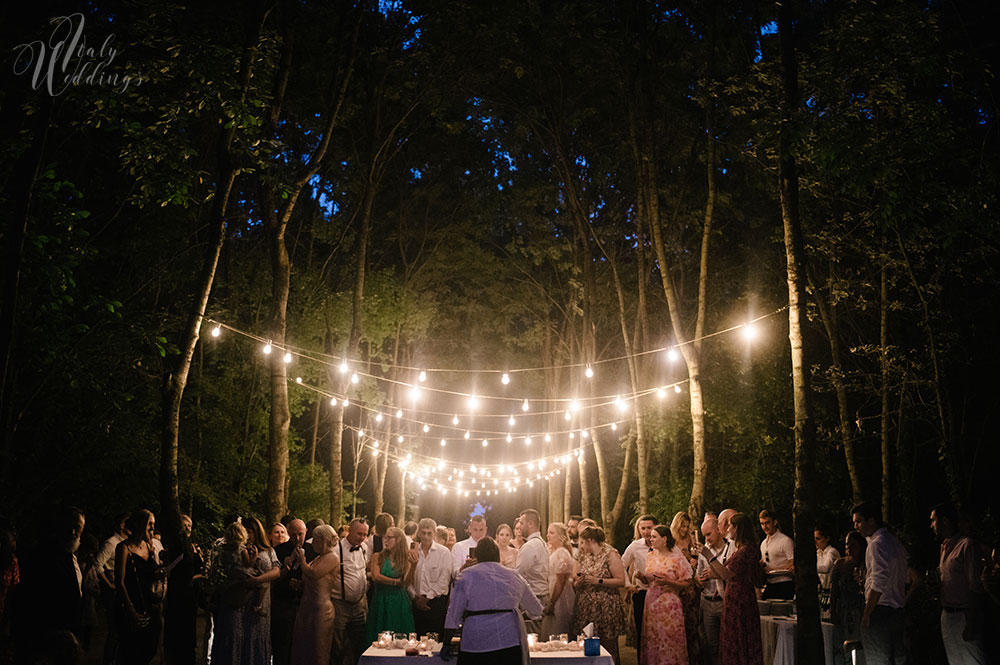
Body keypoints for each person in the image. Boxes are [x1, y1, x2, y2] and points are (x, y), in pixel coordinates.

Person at [440, 537, 543, 664]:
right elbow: (536, 609)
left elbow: (454, 613)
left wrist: (446, 642)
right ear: (497, 555)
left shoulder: (466, 576)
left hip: (475, 641)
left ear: (477, 556)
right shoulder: (514, 576)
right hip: (507, 640)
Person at [851, 502, 908, 665]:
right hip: (897, 610)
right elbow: (904, 577)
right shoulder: (895, 542)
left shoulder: (876, 544)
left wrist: (868, 611)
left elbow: (879, 579)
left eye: (859, 521)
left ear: (872, 521)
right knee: (898, 659)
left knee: (878, 660)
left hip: (880, 610)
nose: (856, 526)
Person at [931, 503, 986, 665]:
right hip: (947, 615)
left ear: (945, 521)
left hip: (965, 614)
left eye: (934, 520)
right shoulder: (944, 547)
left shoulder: (967, 545)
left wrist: (971, 622)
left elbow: (975, 586)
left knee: (972, 659)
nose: (931, 525)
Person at [706, 513, 764, 665]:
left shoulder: (745, 551)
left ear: (737, 528)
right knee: (735, 638)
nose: (728, 529)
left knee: (738, 638)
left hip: (740, 600)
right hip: (736, 598)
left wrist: (709, 556)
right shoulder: (743, 550)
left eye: (731, 526)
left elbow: (726, 574)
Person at [573, 526, 627, 665]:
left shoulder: (610, 553)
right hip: (586, 607)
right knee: (586, 644)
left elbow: (621, 580)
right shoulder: (582, 555)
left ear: (590, 540)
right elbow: (575, 579)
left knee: (609, 646)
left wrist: (599, 581)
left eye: (583, 542)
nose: (581, 546)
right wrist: (578, 582)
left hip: (606, 606)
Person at [115, 509, 163, 665]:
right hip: (133, 607)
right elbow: (120, 582)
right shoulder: (124, 548)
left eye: (154, 525)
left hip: (150, 607)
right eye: (149, 524)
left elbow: (151, 574)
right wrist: (132, 612)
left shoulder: (149, 547)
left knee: (149, 651)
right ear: (139, 524)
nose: (152, 528)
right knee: (132, 654)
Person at [639, 525, 692, 665]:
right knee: (653, 638)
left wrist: (669, 581)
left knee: (668, 638)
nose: (651, 539)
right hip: (651, 601)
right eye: (650, 536)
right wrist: (642, 578)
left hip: (669, 603)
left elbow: (687, 582)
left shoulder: (676, 558)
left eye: (654, 536)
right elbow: (650, 579)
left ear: (664, 539)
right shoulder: (650, 556)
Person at [290, 525, 340, 665]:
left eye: (316, 540)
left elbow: (313, 574)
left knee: (319, 649)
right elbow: (309, 579)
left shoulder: (332, 557)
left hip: (320, 610)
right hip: (306, 608)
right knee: (302, 648)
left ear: (324, 540)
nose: (312, 543)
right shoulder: (318, 558)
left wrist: (302, 560)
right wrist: (299, 584)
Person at [210, 521, 255, 665]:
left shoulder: (223, 549)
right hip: (240, 584)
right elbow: (248, 563)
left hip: (227, 586)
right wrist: (254, 556)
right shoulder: (242, 549)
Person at [161, 513, 204, 665]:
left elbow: (200, 569)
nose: (187, 528)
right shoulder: (172, 547)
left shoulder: (193, 546)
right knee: (175, 627)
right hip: (176, 591)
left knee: (188, 629)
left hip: (191, 593)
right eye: (184, 525)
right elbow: (167, 569)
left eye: (189, 526)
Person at [241, 517, 280, 665]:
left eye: (249, 532)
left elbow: (276, 572)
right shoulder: (241, 549)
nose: (247, 535)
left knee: (259, 636)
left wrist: (258, 580)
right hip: (246, 599)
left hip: (263, 599)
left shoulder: (269, 550)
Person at [367, 526, 416, 642]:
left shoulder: (406, 558)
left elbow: (406, 582)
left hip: (399, 601)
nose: (385, 540)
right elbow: (375, 576)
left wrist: (414, 566)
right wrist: (395, 582)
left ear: (398, 539)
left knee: (400, 634)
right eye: (385, 537)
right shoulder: (377, 556)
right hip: (381, 599)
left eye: (389, 538)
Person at [332, 518, 369, 665]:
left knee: (358, 644)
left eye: (364, 534)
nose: (362, 538)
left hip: (359, 605)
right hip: (340, 605)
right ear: (350, 531)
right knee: (337, 646)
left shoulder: (364, 548)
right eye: (359, 534)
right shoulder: (336, 549)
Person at [272, 519, 308, 665]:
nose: (297, 538)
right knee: (283, 646)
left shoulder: (313, 549)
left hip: (305, 604)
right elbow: (273, 580)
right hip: (284, 603)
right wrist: (285, 569)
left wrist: (303, 584)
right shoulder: (279, 551)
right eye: (293, 535)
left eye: (300, 534)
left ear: (306, 532)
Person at [94, 513, 129, 665]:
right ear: (122, 525)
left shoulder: (125, 543)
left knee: (121, 629)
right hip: (112, 591)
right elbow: (97, 563)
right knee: (114, 629)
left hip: (120, 589)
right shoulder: (111, 543)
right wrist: (109, 584)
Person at [408, 518, 451, 637]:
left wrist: (427, 598)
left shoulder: (444, 552)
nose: (426, 537)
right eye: (423, 533)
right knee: (416, 641)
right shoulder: (412, 551)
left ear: (434, 533)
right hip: (416, 602)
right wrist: (415, 597)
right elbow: (408, 577)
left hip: (435, 603)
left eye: (429, 533)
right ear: (419, 533)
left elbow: (444, 580)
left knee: (435, 642)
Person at [695, 517, 729, 665]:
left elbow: (732, 575)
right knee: (711, 645)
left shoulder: (730, 548)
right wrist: (699, 580)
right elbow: (698, 575)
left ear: (718, 530)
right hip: (708, 601)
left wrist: (715, 575)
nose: (706, 539)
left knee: (728, 642)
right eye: (704, 536)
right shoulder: (704, 552)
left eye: (709, 534)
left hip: (725, 602)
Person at [623, 514, 657, 663]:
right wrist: (628, 585)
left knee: (657, 632)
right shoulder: (635, 546)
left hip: (660, 594)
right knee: (641, 633)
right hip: (641, 593)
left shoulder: (663, 545)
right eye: (642, 528)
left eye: (649, 527)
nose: (646, 531)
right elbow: (621, 565)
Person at [670, 512, 703, 664]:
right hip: (675, 588)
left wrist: (692, 560)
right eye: (682, 526)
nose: (684, 529)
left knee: (692, 627)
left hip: (690, 588)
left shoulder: (691, 540)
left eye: (687, 526)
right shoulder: (670, 542)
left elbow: (697, 560)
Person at [831, 531, 867, 665]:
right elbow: (834, 589)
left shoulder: (866, 564)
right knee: (842, 647)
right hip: (844, 610)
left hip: (860, 611)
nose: (849, 549)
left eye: (853, 545)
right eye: (847, 545)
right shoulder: (839, 565)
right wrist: (833, 608)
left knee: (858, 647)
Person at [515, 509, 550, 634]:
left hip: (534, 597)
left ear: (530, 524)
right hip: (542, 595)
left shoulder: (530, 546)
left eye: (522, 522)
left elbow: (518, 575)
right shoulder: (541, 543)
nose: (519, 526)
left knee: (531, 640)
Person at [541, 522, 575, 637]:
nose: (548, 535)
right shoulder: (552, 551)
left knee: (557, 629)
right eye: (547, 533)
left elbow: (560, 582)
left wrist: (552, 603)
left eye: (551, 533)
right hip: (550, 589)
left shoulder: (562, 553)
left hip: (560, 595)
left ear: (560, 536)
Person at [758, 510, 794, 600]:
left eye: (767, 523)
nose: (764, 527)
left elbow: (792, 564)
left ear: (775, 522)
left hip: (784, 583)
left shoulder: (785, 541)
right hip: (770, 583)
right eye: (762, 524)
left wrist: (773, 570)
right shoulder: (763, 543)